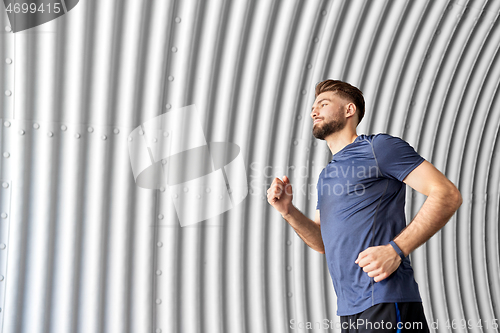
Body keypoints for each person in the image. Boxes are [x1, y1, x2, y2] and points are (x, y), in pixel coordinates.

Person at [267, 79, 462, 332]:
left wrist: (396, 250)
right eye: (313, 107)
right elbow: (321, 242)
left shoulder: (378, 148)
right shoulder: (327, 175)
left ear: (349, 110)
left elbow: (447, 194)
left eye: (323, 104)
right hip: (349, 309)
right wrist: (288, 211)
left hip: (386, 299)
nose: (314, 112)